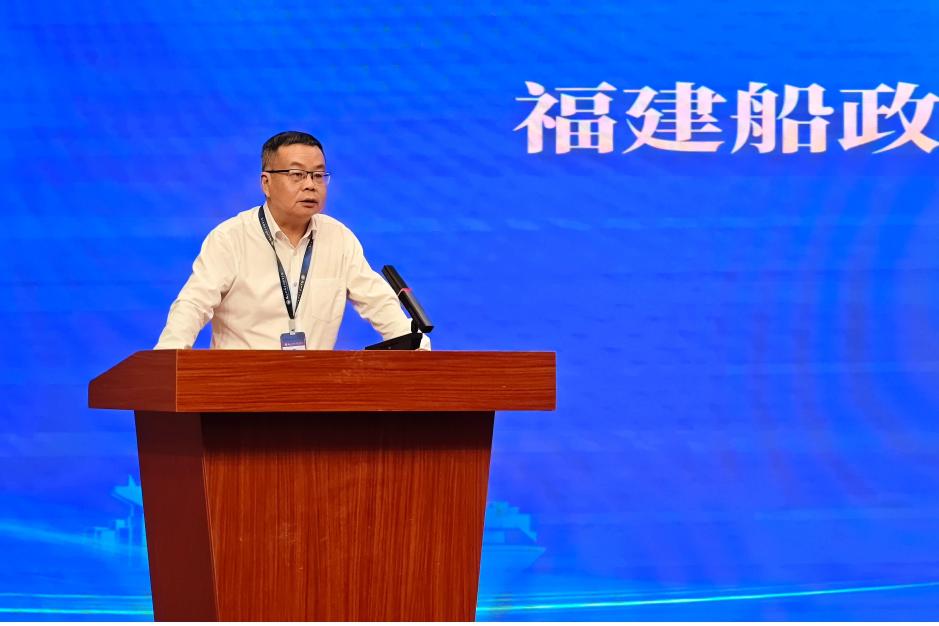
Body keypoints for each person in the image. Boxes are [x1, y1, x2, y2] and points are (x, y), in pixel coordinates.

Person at [155, 131, 429, 350]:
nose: (310, 184)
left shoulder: (339, 238)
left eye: (318, 175)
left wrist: (421, 355)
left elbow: (380, 304)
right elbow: (193, 305)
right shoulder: (230, 238)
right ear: (266, 183)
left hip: (310, 391)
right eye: (297, 175)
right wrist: (167, 361)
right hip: (240, 389)